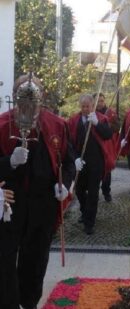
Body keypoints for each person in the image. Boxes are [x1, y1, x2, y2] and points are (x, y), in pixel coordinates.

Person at [0, 74, 75, 309]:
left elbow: (68, 162)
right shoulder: (1, 125)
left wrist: (65, 184)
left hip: (43, 203)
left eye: (33, 101)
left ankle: (29, 302)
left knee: (36, 258)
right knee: (4, 259)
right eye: (23, 100)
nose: (28, 107)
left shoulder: (57, 125)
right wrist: (9, 162)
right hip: (9, 203)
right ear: (15, 98)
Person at [68, 94, 115, 235]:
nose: (85, 109)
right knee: (80, 191)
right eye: (83, 106)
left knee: (93, 192)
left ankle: (90, 222)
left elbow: (108, 135)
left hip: (96, 162)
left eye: (88, 106)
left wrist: (97, 124)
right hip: (80, 162)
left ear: (92, 105)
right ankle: (84, 211)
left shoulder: (101, 119)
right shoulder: (73, 121)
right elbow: (69, 142)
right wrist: (75, 158)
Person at [94, 92, 120, 202]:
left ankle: (106, 192)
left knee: (107, 170)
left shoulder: (110, 113)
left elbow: (117, 127)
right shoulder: (91, 112)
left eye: (102, 101)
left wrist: (107, 124)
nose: (100, 103)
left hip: (107, 145)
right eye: (98, 101)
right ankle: (93, 192)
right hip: (95, 146)